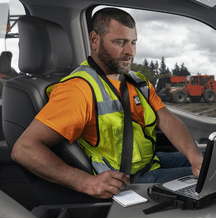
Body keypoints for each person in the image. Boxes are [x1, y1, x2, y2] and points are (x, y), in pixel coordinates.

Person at [11, 7, 203, 200]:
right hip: (129, 183)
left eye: (133, 43)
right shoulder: (78, 89)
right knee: (211, 179)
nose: (130, 51)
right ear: (94, 40)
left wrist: (194, 156)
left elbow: (167, 119)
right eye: (120, 42)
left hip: (150, 163)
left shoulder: (138, 82)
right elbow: (24, 149)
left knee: (213, 163)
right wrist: (84, 182)